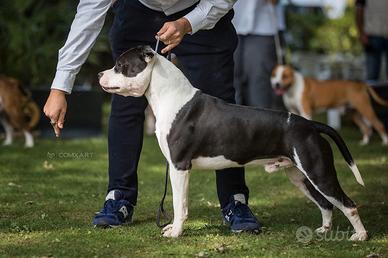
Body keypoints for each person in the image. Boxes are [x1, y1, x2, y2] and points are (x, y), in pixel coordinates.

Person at [43, 0, 261, 233]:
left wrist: (188, 23)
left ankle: (234, 200)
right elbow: (88, 15)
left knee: (222, 106)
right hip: (136, 13)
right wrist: (60, 86)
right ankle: (119, 197)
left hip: (201, 11)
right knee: (125, 106)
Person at [233, 0, 280, 108]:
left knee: (259, 88)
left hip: (262, 26)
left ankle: (262, 124)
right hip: (220, 22)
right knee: (229, 86)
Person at [356, 0, 388, 82]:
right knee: (372, 76)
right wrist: (361, 33)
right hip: (372, 36)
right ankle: (370, 94)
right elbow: (359, 10)